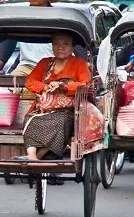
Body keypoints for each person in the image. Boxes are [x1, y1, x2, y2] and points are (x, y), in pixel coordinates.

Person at [20, 32, 92, 160]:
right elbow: (30, 81)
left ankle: (36, 157)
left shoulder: (79, 63)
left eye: (65, 44)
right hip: (43, 109)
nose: (60, 47)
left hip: (66, 111)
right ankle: (31, 155)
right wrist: (45, 87)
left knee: (62, 122)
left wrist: (64, 87)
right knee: (31, 119)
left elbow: (86, 84)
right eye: (57, 44)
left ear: (72, 47)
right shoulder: (45, 62)